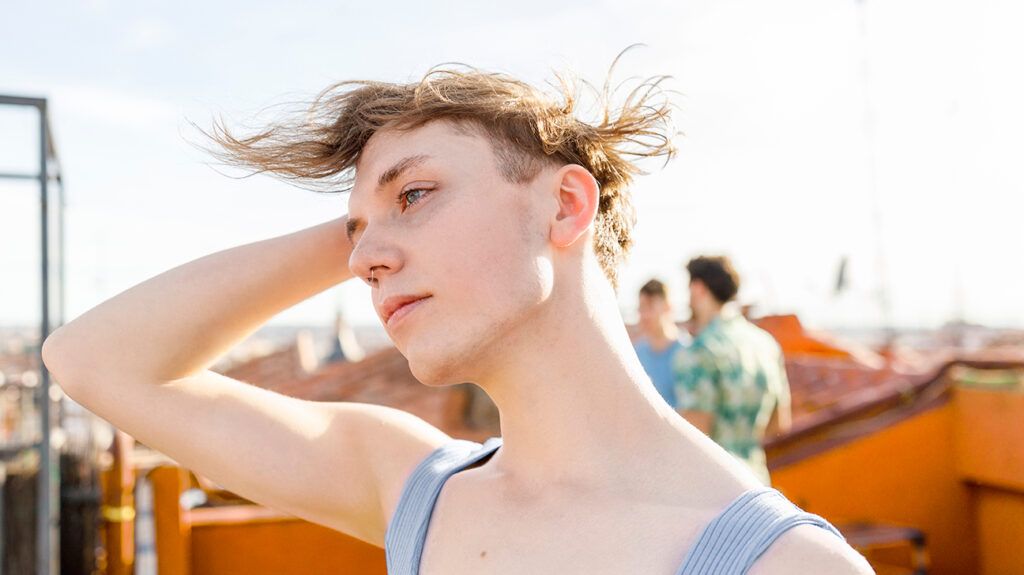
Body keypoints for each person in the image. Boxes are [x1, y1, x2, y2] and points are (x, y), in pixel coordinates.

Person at [41, 64, 870, 574]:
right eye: (359, 234)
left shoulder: (787, 566)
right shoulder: (415, 487)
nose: (366, 260)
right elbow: (91, 360)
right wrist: (360, 226)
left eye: (416, 193)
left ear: (566, 206)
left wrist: (377, 222)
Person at [674, 256, 793, 487]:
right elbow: (780, 423)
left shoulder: (700, 351)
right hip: (758, 484)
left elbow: (694, 436)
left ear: (698, 289)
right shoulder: (765, 344)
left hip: (716, 491)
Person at [634, 279, 689, 408]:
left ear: (667, 307)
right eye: (641, 308)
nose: (644, 314)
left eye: (650, 306)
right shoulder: (636, 354)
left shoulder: (688, 351)